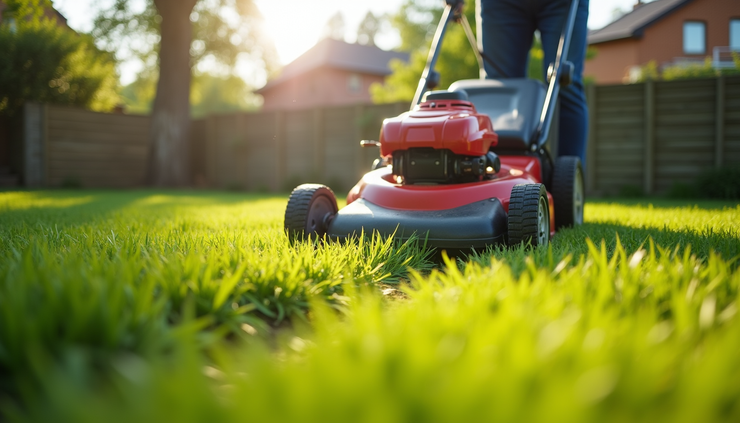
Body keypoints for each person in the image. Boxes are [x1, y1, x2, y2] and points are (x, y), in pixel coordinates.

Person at [478, 0, 590, 169]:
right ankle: (500, 176)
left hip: (562, 4)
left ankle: (567, 182)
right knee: (499, 90)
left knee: (565, 81)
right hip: (500, 4)